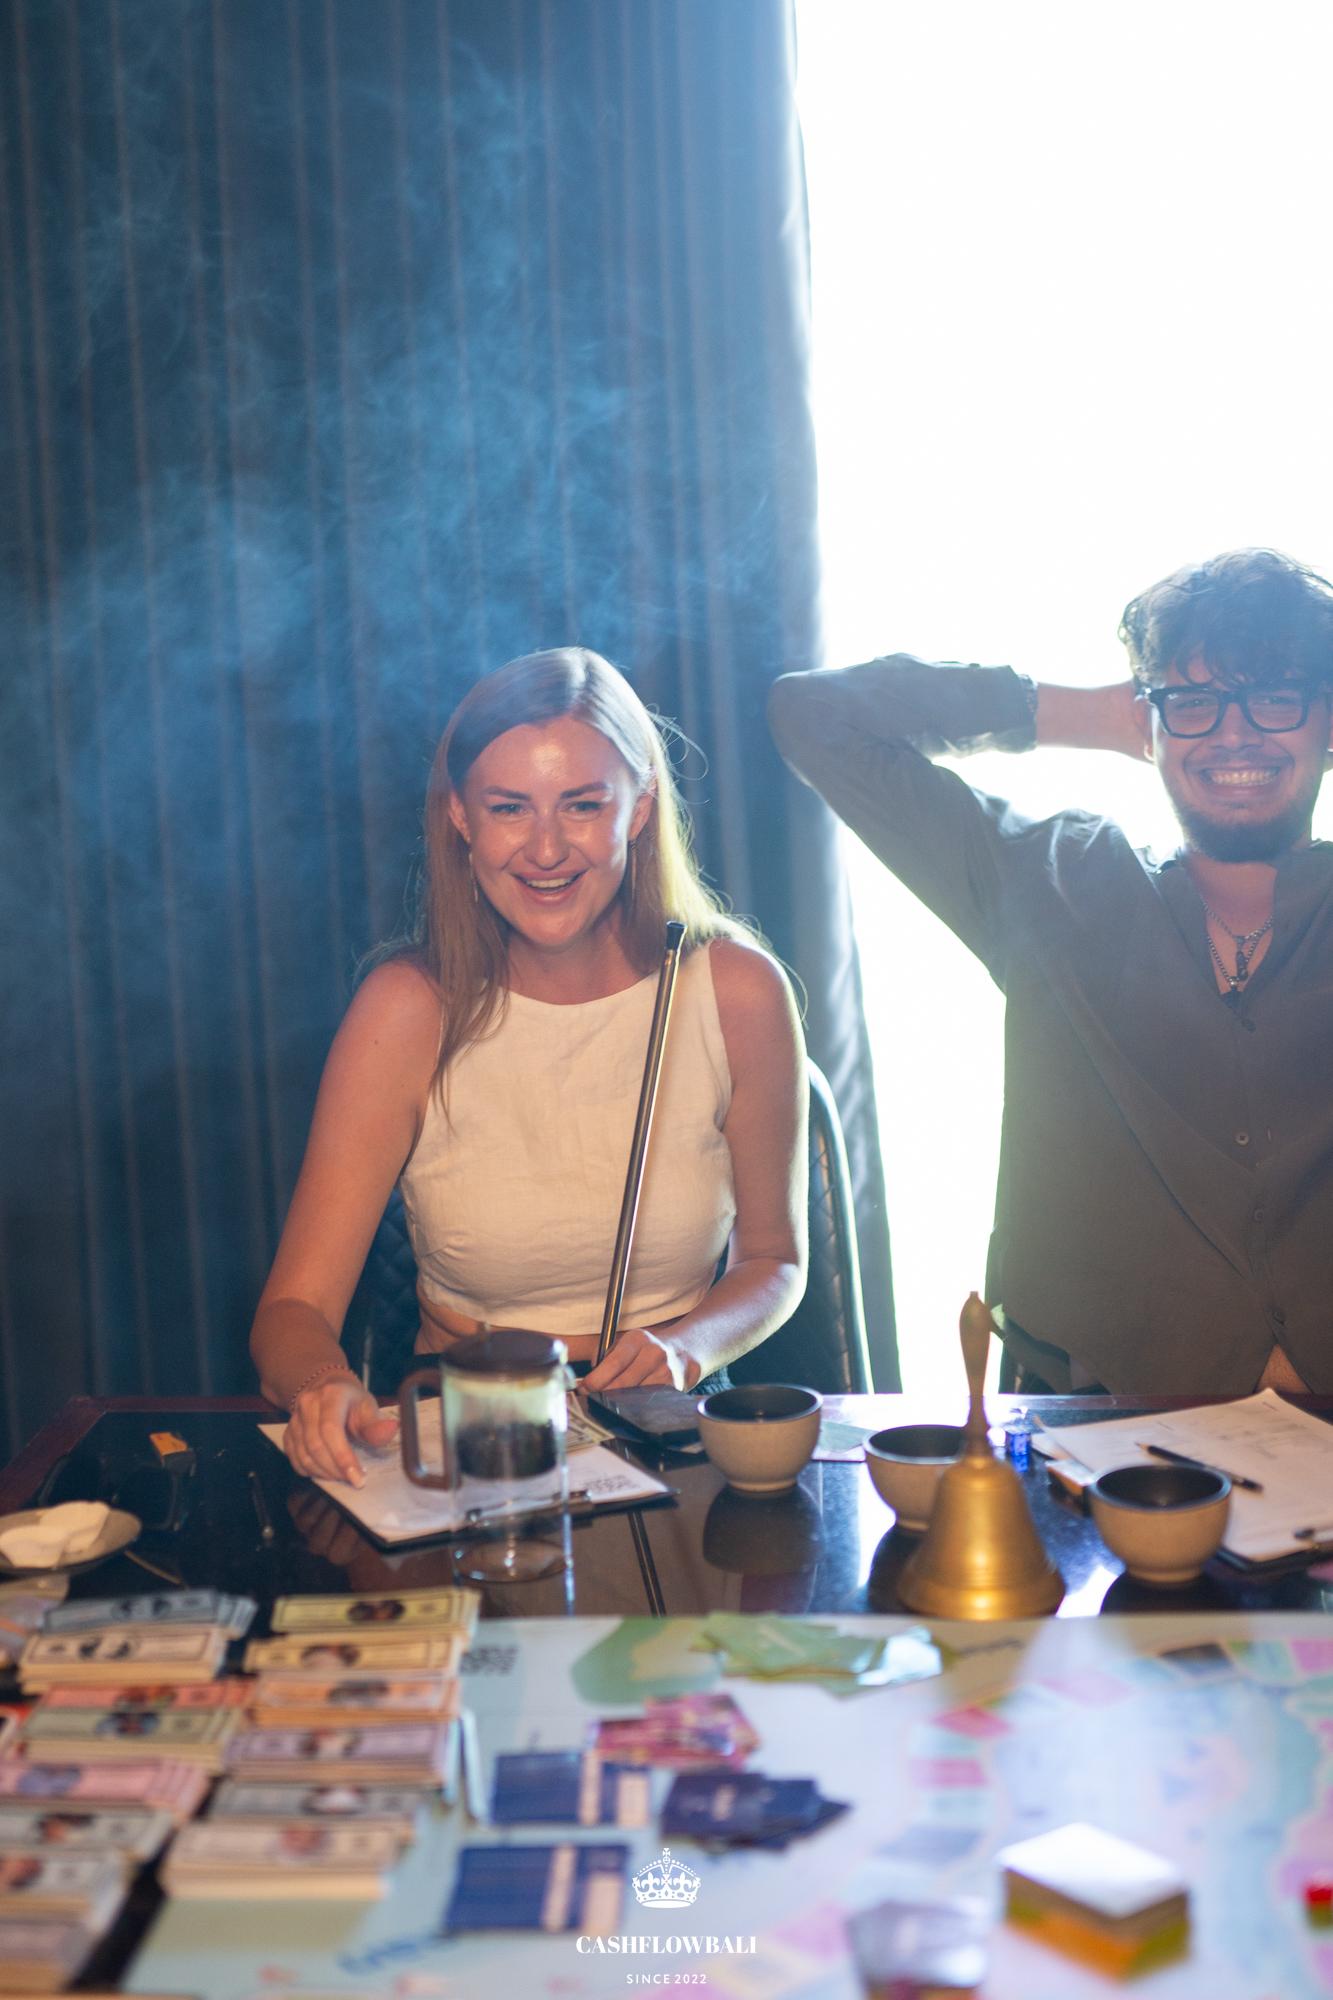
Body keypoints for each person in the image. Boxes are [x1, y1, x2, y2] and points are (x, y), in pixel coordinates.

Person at [769, 548, 1333, 1395]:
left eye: (1276, 696)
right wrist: (1094, 715)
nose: (1233, 733)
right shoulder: (1052, 878)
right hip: (1099, 1426)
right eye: (1195, 702)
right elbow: (813, 715)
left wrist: (1180, 709)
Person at [253, 647, 807, 1484]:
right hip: (469, 1425)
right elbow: (291, 1311)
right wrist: (321, 1386)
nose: (546, 849)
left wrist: (685, 1346)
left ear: (639, 809)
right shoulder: (404, 1008)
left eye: (582, 805)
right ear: (461, 818)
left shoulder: (739, 990)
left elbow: (774, 1259)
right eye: (509, 808)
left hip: (670, 1414)